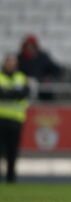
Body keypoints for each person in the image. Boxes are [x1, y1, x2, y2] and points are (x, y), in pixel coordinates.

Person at [0, 54, 30, 183]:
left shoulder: (21, 77)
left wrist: (7, 93)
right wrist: (13, 93)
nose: (10, 65)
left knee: (13, 151)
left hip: (16, 120)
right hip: (1, 119)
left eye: (12, 62)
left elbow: (23, 93)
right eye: (8, 62)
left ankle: (11, 178)